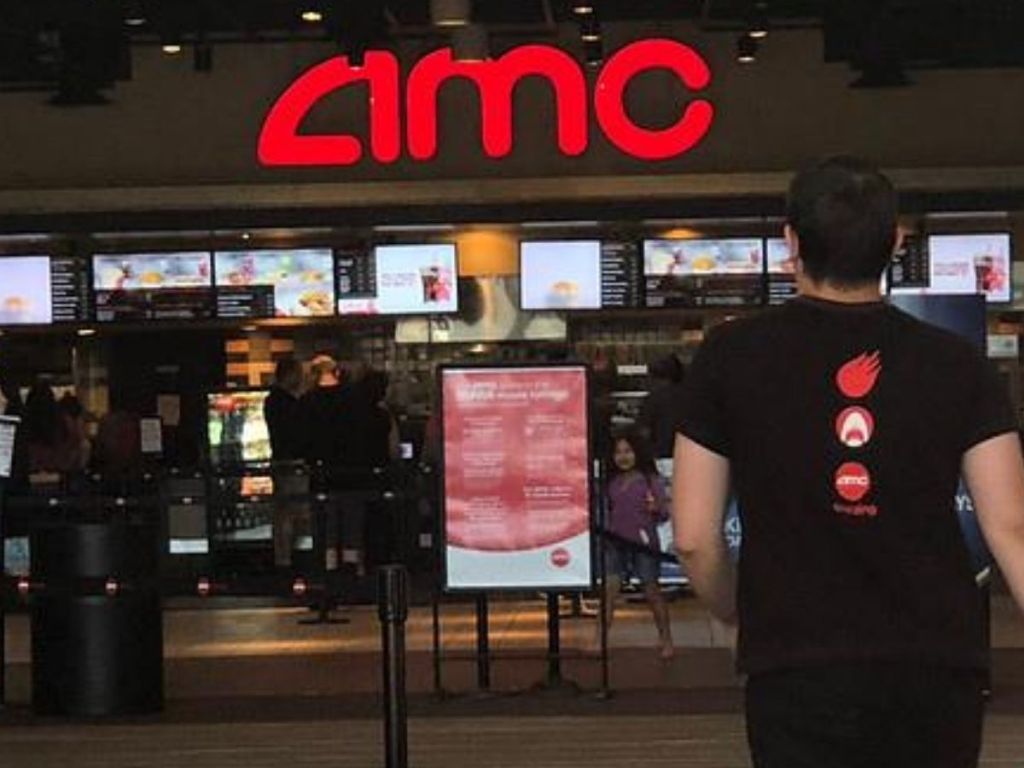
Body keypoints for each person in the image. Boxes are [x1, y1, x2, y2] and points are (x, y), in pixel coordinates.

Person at [673, 156, 1024, 768]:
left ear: (790, 242)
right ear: (894, 242)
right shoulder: (958, 362)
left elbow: (694, 539)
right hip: (936, 664)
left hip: (794, 662)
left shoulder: (730, 355)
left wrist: (736, 608)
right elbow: (1012, 526)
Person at [603, 430, 674, 660]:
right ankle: (600, 638)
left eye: (628, 451)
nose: (623, 457)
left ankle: (666, 639)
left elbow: (664, 513)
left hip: (644, 544)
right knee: (609, 591)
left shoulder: (650, 479)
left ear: (638, 453)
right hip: (615, 542)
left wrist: (656, 509)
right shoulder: (611, 482)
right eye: (618, 453)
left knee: (651, 590)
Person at [264, 356, 307, 570]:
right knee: (294, 511)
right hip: (293, 462)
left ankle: (282, 557)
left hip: (279, 461)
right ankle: (292, 557)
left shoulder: (271, 401)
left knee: (282, 512)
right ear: (290, 375)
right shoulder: (290, 403)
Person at [637, 354, 687, 459]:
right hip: (685, 456)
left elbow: (644, 431)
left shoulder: (653, 399)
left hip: (659, 455)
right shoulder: (689, 396)